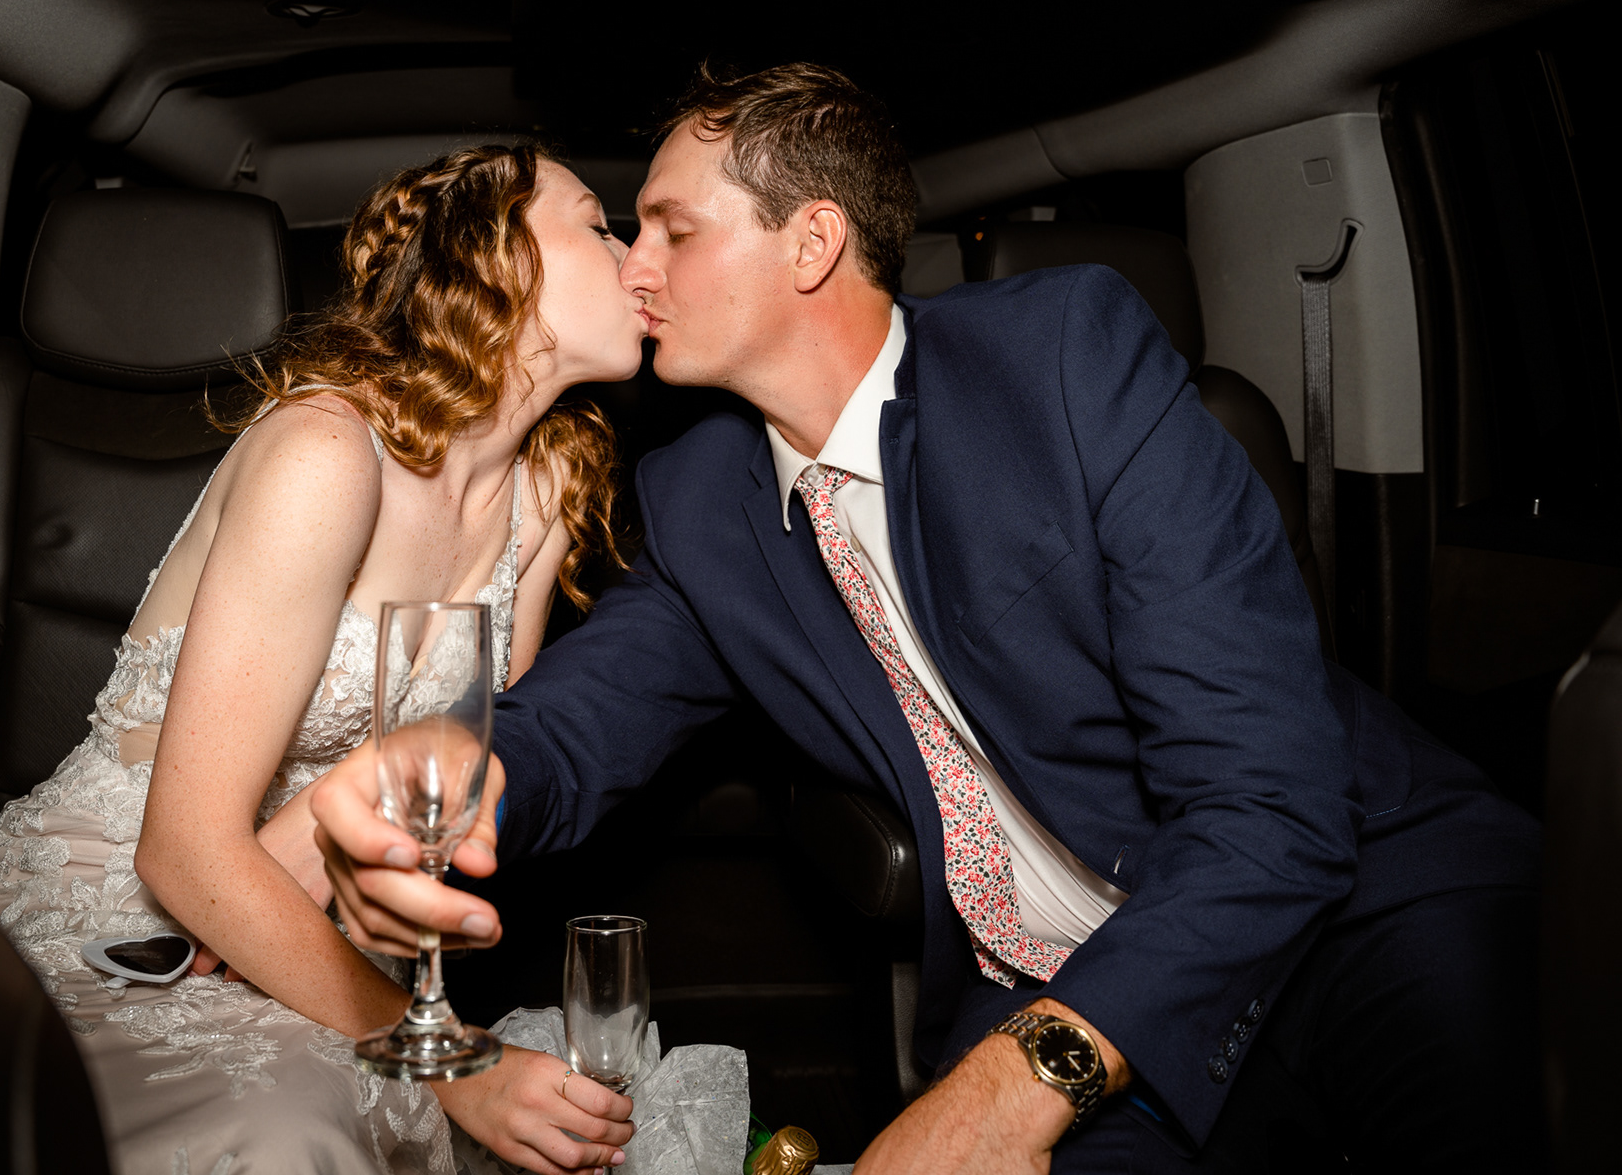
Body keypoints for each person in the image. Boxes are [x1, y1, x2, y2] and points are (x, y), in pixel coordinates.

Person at [310, 65, 1543, 1172]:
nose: (635, 267)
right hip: (1062, 990)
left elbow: (1269, 804)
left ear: (812, 243)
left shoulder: (1064, 357)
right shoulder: (698, 499)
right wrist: (471, 768)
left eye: (673, 230)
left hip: (1351, 907)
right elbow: (587, 719)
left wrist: (1020, 1078)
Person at [0, 144, 643, 1175]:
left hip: (319, 923)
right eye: (598, 223)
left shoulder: (543, 489)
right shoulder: (327, 452)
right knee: (287, 1138)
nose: (632, 255)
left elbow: (448, 773)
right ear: (498, 261)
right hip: (117, 916)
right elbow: (181, 853)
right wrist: (453, 1061)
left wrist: (321, 837)